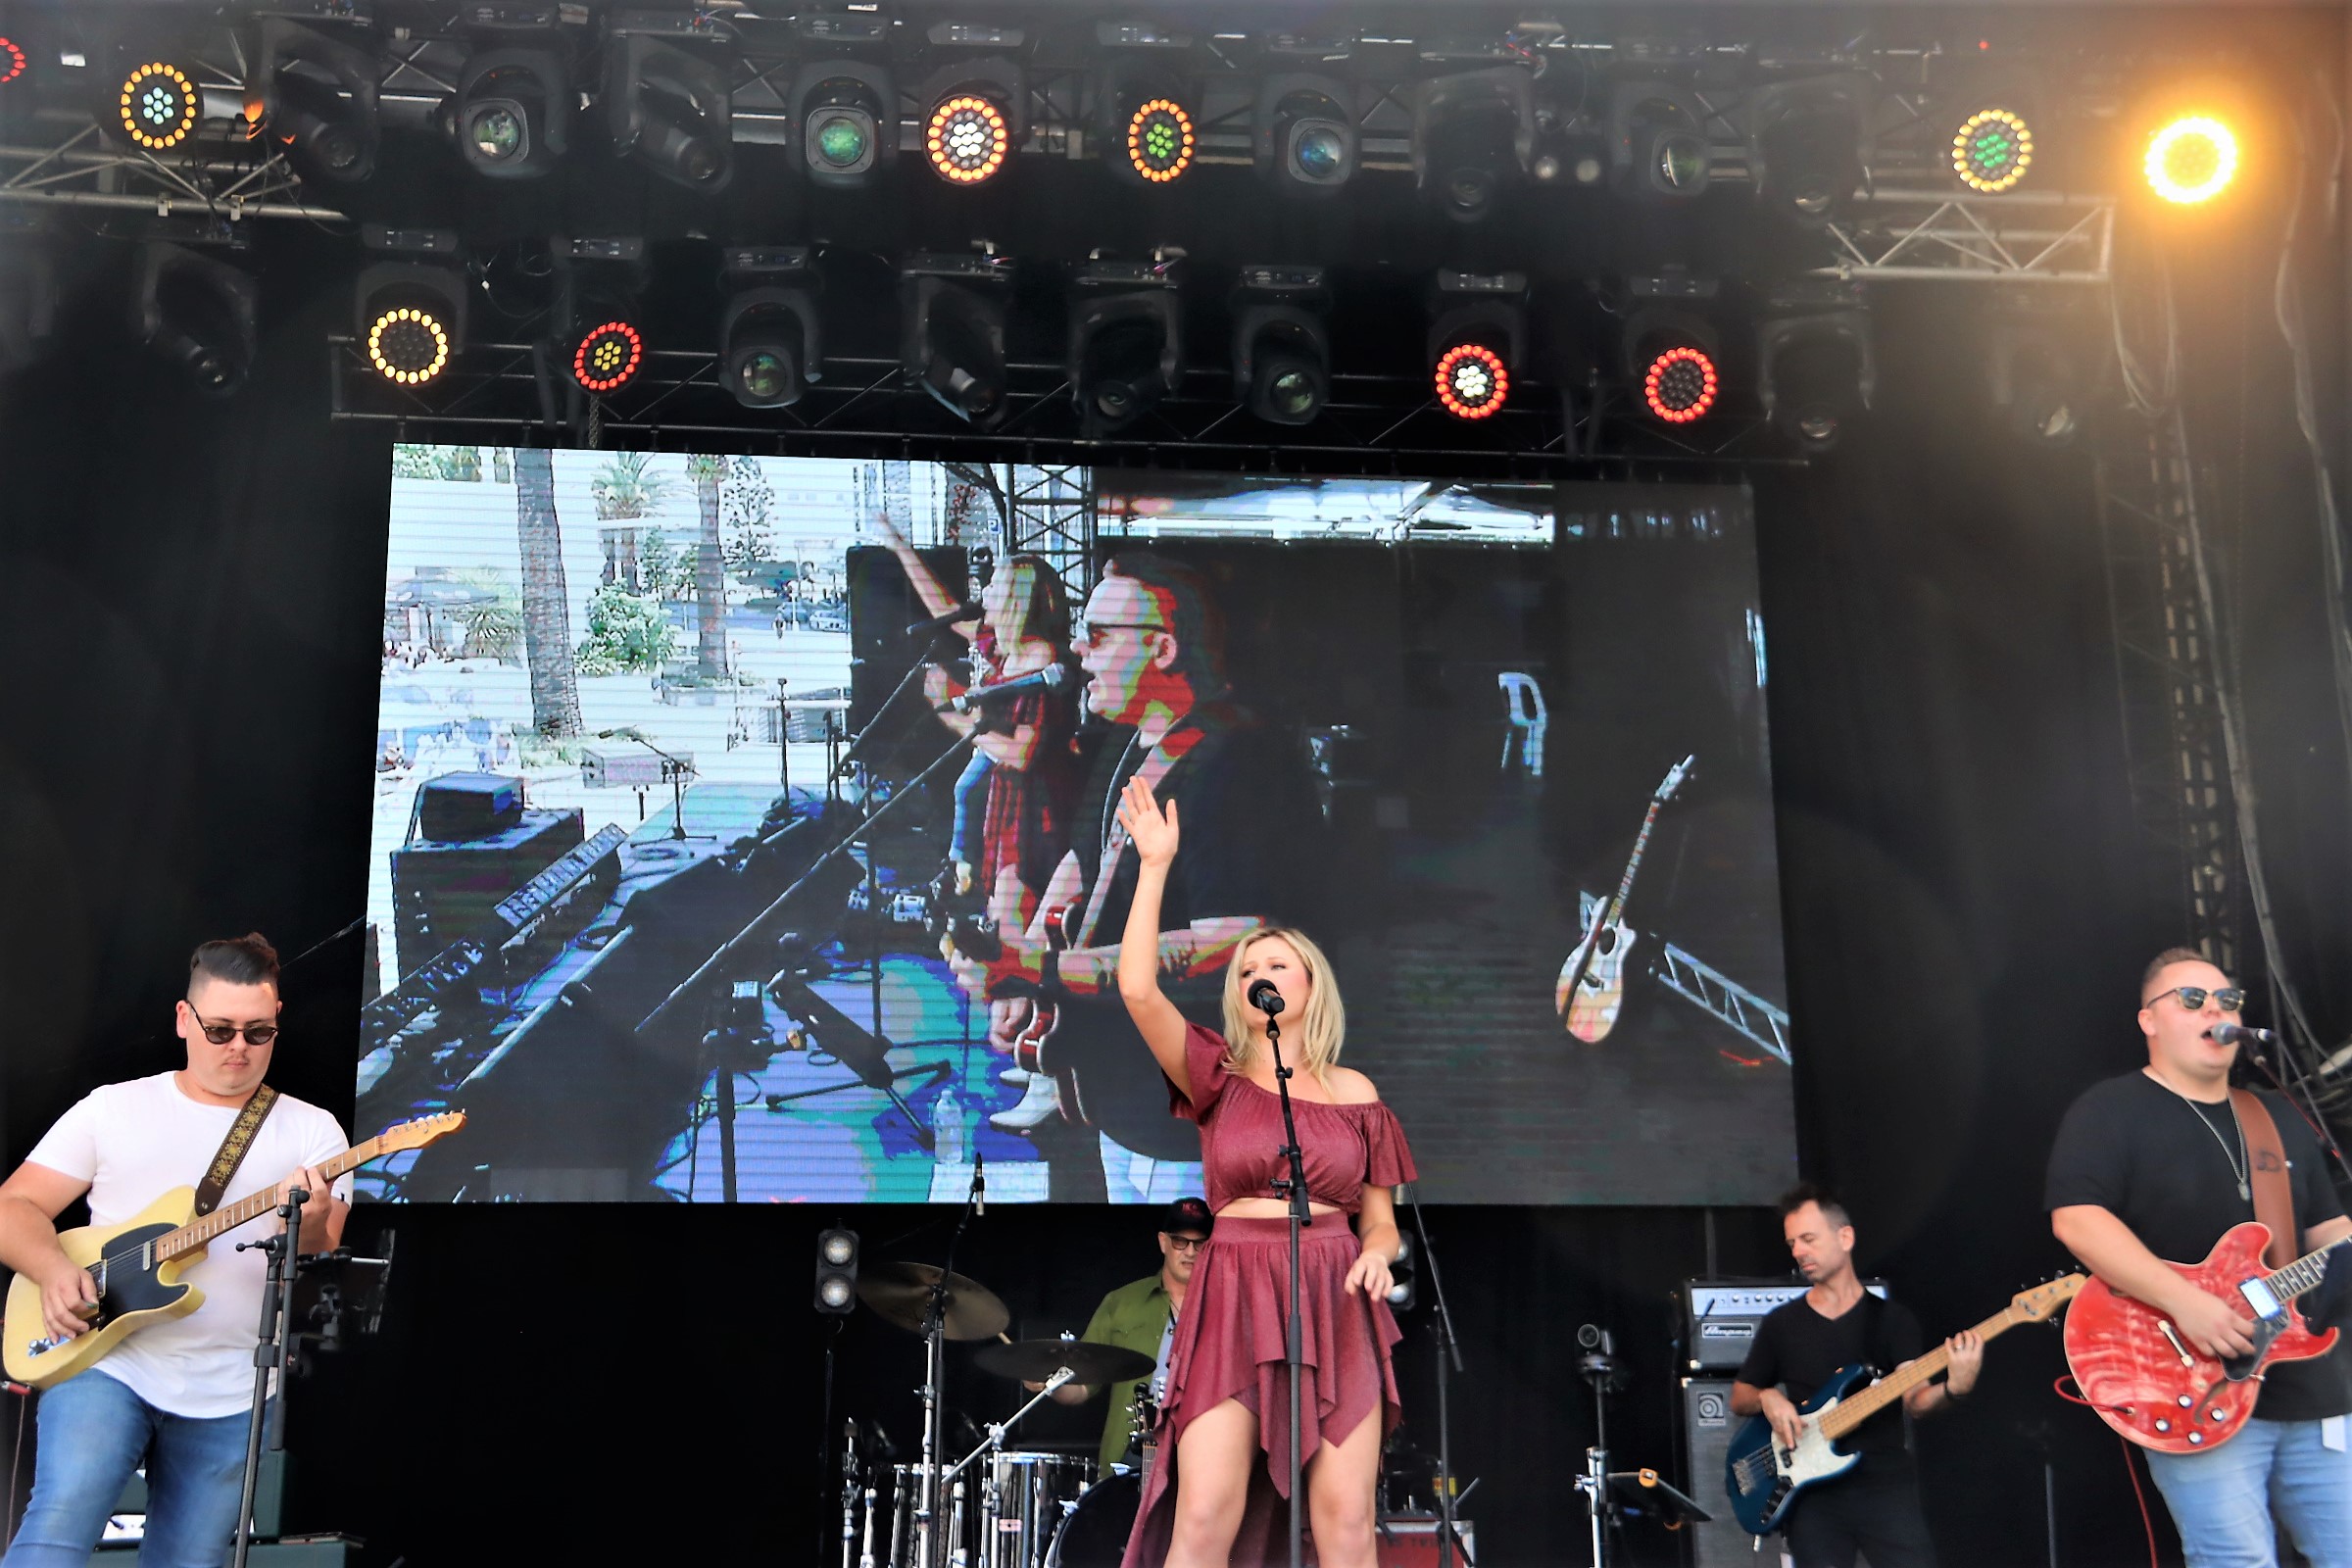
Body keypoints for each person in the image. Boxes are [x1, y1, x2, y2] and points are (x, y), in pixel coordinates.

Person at [1106, 774, 1412, 1568]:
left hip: (1334, 1291)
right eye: (1244, 971)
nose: (1256, 977)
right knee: (1206, 1511)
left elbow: (1381, 1222)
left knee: (1347, 1521)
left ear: (1309, 984)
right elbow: (1136, 988)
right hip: (1236, 1287)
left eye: (1274, 964)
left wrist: (1377, 1256)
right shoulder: (1216, 1074)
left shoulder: (1357, 1094)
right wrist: (1154, 867)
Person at [951, 552, 1323, 1199]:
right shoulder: (1133, 740)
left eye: (1097, 635)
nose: (1077, 649)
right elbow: (1084, 861)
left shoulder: (1238, 764)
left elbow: (1233, 945)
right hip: (1127, 1100)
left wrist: (1042, 970)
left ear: (1163, 648)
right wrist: (1024, 968)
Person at [0, 935, 353, 1568]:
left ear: (278, 1021)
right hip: (107, 1360)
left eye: (258, 1032)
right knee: (57, 1529)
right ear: (184, 1019)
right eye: (219, 1030)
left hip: (233, 1386)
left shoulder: (313, 1131)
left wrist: (312, 1216)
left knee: (188, 1562)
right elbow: (12, 1206)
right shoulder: (114, 1109)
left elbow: (321, 1247)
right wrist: (52, 1270)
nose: (239, 1047)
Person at [2047, 948, 2352, 1568]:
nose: (2216, 1010)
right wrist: (2187, 1303)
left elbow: (2329, 1232)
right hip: (2191, 1384)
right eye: (2192, 999)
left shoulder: (2277, 1116)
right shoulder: (2110, 1110)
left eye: (2227, 1000)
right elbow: (2077, 1218)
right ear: (2149, 1021)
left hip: (2311, 1383)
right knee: (2236, 1559)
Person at [1732, 1183, 1980, 1568]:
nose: (1798, 1252)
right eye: (1792, 1243)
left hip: (1884, 1485)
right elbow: (1739, 1395)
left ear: (1845, 1237)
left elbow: (1916, 1401)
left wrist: (1954, 1389)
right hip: (1812, 1495)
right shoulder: (1781, 1324)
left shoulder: (1892, 1320)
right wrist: (1768, 1397)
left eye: (1809, 1239)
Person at [1040, 1197, 1216, 1473]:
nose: (1190, 1252)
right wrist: (1046, 1382)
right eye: (1180, 1242)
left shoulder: (1228, 1304)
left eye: (1200, 1244)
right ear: (1163, 1242)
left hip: (1205, 1453)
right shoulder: (1121, 1302)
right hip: (1131, 1456)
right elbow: (1082, 1387)